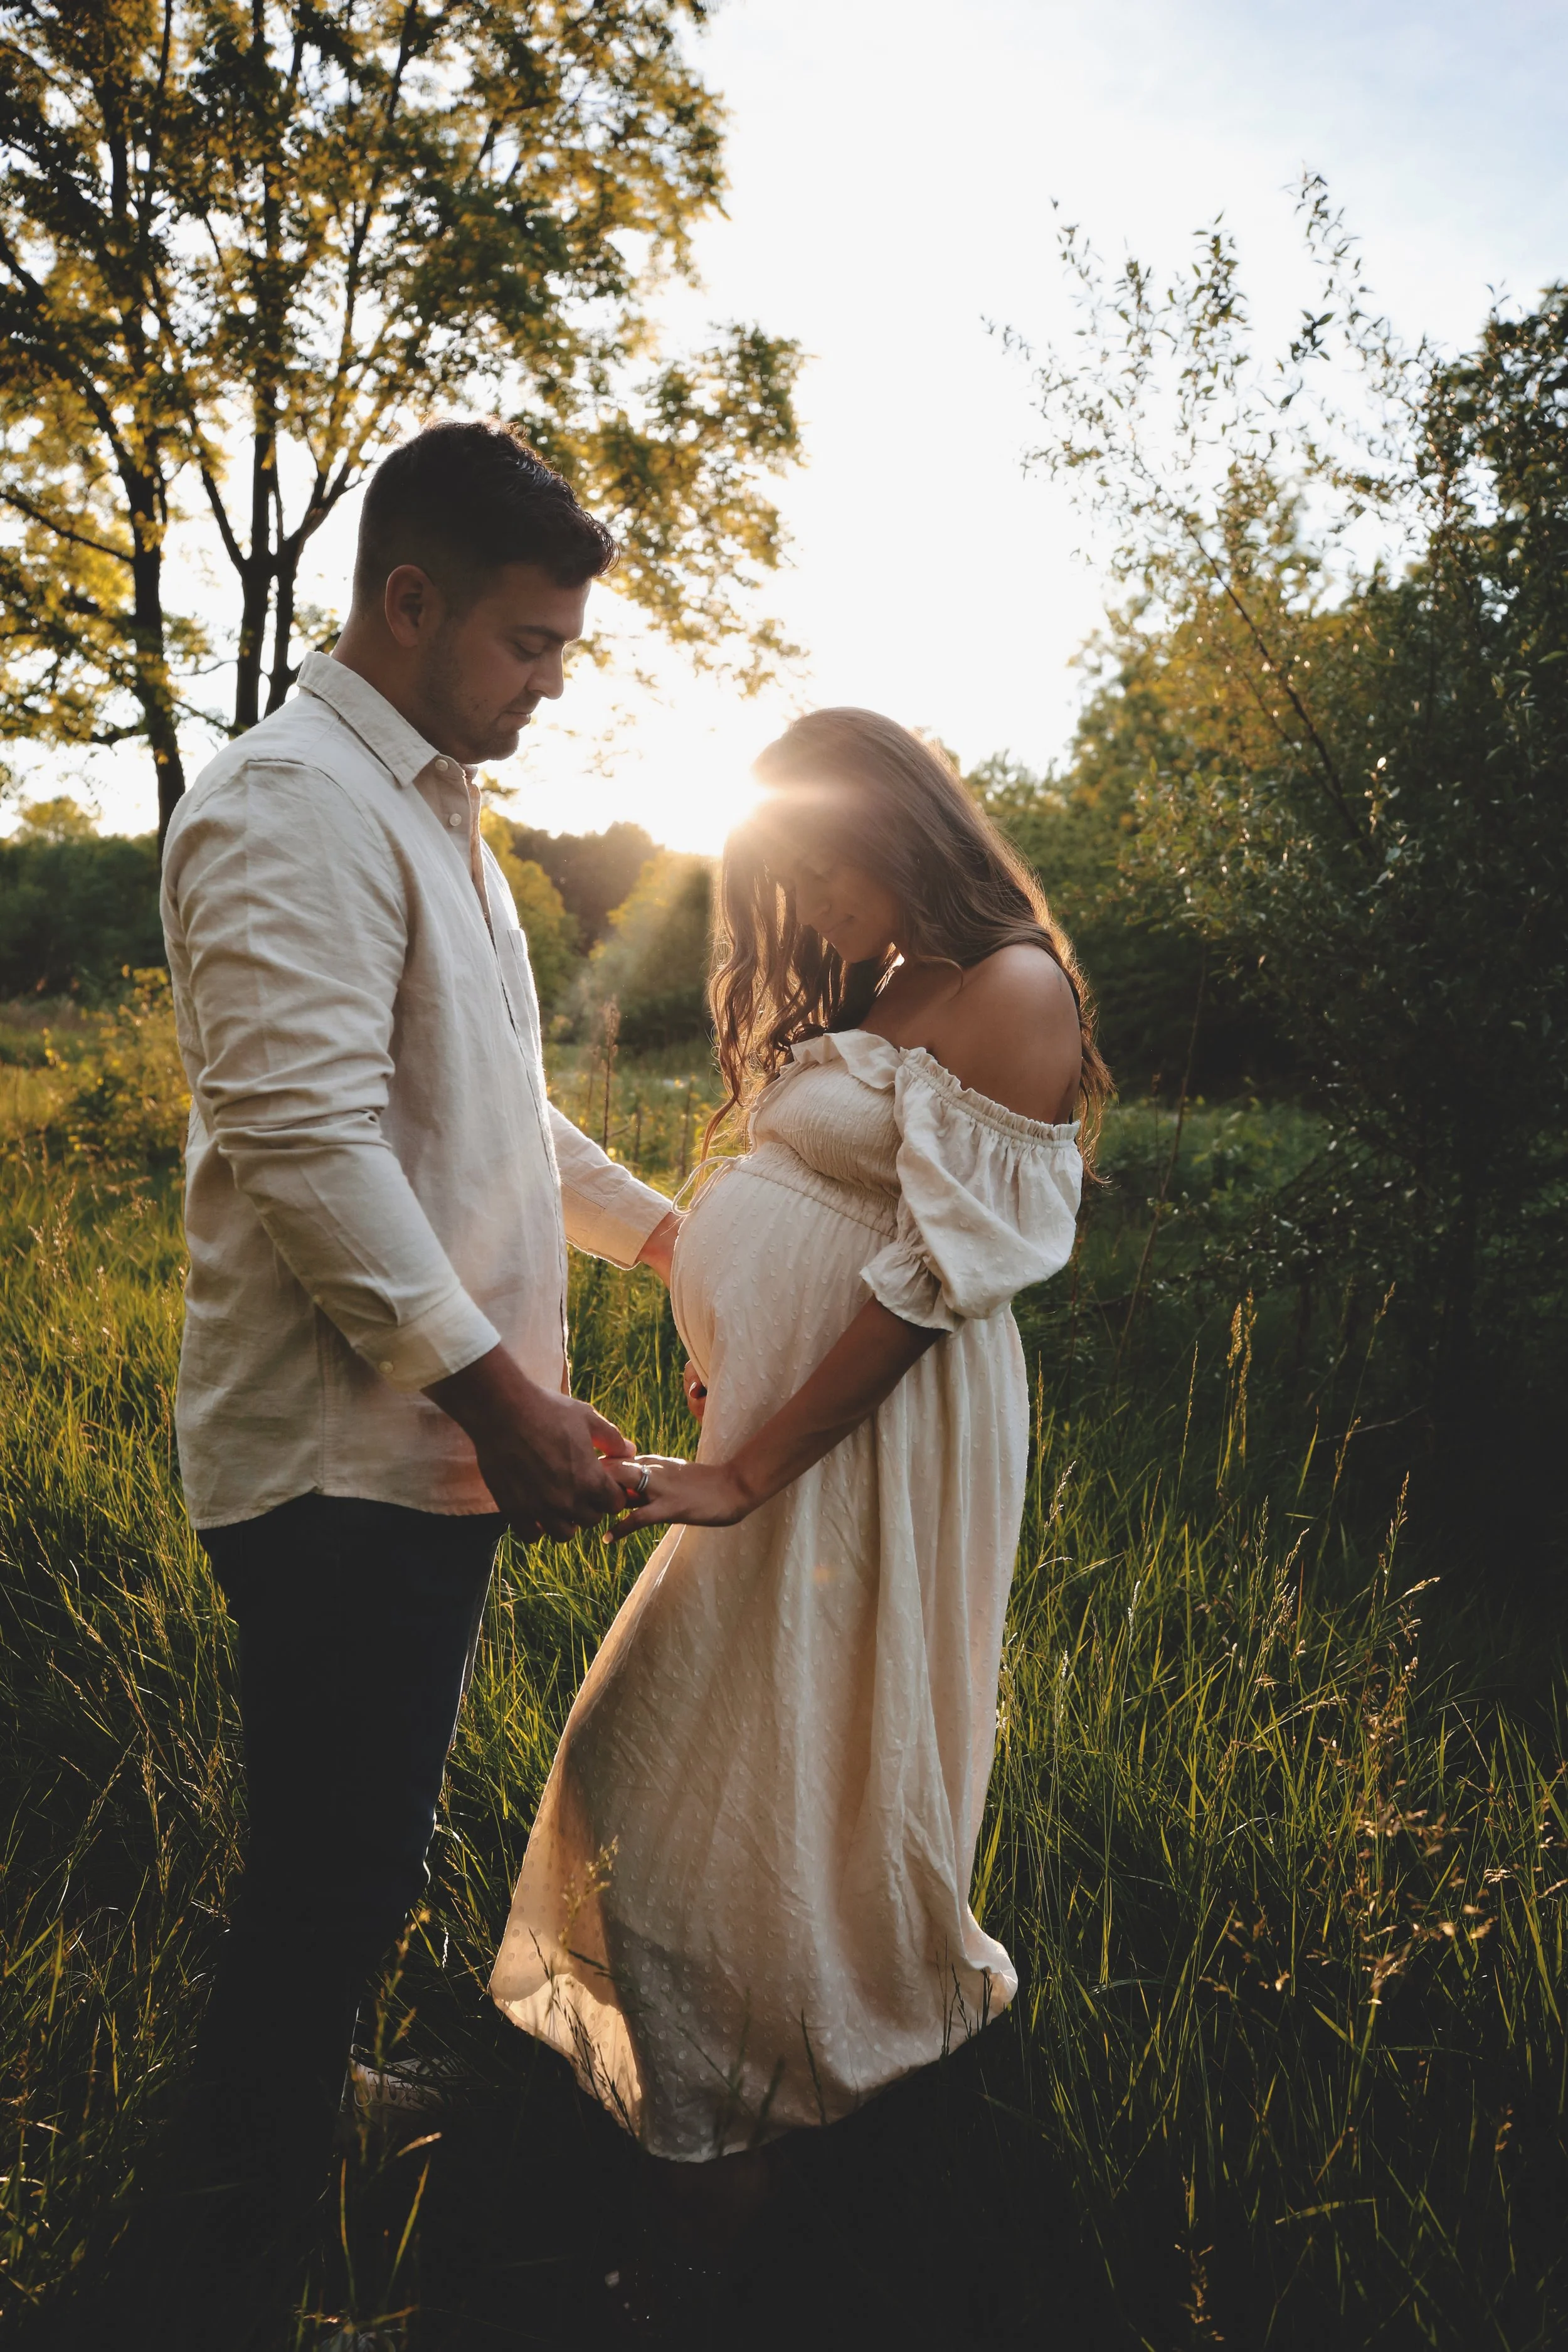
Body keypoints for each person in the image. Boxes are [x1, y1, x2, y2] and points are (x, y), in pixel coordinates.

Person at [148, 421, 679, 2336]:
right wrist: (499, 1398)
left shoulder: (431, 804)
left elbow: (484, 1105)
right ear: (408, 600)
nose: (553, 677)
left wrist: (665, 1234)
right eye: (532, 642)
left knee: (355, 1833)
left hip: (417, 1448)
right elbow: (304, 1141)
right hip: (340, 1460)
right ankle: (240, 2221)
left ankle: (294, 2099)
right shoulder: (292, 801)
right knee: (337, 1855)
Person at [490, 707, 1110, 2296]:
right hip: (783, 1418)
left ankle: (745, 2124)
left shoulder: (1012, 984)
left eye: (820, 871)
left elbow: (925, 1283)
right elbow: (809, 1212)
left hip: (878, 1443)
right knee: (695, 1740)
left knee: (771, 1735)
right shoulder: (888, 981)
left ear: (900, 827)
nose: (810, 914)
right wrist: (730, 1347)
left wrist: (754, 1458)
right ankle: (720, 2076)